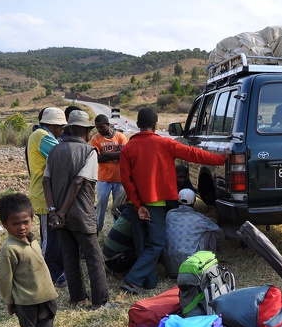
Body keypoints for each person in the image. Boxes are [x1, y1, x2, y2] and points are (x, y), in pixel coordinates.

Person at [119, 107, 229, 295]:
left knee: (141, 243)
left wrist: (138, 205)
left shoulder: (127, 148)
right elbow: (194, 154)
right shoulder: (165, 144)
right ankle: (132, 280)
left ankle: (149, 282)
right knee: (156, 243)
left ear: (137, 125)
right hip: (154, 205)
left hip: (134, 204)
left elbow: (126, 180)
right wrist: (220, 159)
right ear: (155, 125)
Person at [42, 110, 118, 311]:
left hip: (58, 214)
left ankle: (78, 298)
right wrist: (64, 211)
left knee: (69, 257)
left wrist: (54, 211)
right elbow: (78, 182)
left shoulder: (54, 151)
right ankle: (100, 301)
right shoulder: (89, 152)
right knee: (94, 258)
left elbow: (46, 181)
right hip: (81, 214)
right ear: (85, 131)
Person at [0, 192, 59, 327]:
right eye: (15, 223)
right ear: (5, 224)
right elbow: (4, 278)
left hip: (45, 296)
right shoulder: (9, 249)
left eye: (26, 221)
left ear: (32, 219)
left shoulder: (33, 241)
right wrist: (10, 301)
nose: (22, 227)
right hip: (26, 302)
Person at [26, 106, 67, 287]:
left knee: (56, 239)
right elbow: (63, 156)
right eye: (61, 126)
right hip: (44, 196)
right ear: (53, 124)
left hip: (50, 193)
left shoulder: (44, 135)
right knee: (49, 242)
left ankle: (58, 275)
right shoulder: (42, 137)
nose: (62, 130)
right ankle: (44, 279)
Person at [162, 188, 225, 278]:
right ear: (194, 201)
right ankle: (210, 264)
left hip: (170, 268)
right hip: (191, 268)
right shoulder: (199, 218)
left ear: (178, 200)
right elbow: (219, 231)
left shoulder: (169, 215)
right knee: (211, 233)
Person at [90, 114, 128, 233]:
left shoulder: (121, 137)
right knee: (101, 206)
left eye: (101, 127)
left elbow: (124, 155)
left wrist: (106, 154)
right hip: (103, 178)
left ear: (107, 124)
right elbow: (96, 158)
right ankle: (97, 231)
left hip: (119, 179)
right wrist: (115, 153)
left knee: (118, 207)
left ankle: (118, 232)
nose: (99, 130)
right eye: (97, 127)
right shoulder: (95, 139)